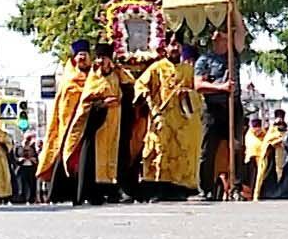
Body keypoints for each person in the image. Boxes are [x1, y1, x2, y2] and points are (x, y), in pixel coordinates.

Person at [136, 44, 201, 201]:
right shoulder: (157, 67)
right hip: (161, 118)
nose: (174, 48)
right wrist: (146, 96)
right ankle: (156, 189)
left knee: (179, 154)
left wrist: (188, 94)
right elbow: (140, 84)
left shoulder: (188, 70)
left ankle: (177, 190)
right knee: (158, 151)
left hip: (181, 121)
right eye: (171, 45)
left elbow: (198, 95)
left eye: (177, 45)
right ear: (166, 48)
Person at [63, 45, 124, 205]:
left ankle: (111, 190)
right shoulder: (94, 78)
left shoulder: (116, 76)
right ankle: (93, 192)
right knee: (94, 159)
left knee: (113, 155)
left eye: (103, 58)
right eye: (98, 58)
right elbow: (86, 103)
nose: (99, 61)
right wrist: (103, 104)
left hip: (114, 124)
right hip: (97, 126)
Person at [37, 43, 92, 203]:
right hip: (69, 124)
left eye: (85, 55)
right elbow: (64, 104)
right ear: (74, 59)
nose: (82, 58)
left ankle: (84, 193)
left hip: (89, 124)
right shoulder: (68, 79)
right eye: (79, 55)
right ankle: (61, 194)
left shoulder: (95, 76)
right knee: (67, 156)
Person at [193, 37, 242, 200]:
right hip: (213, 109)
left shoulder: (234, 55)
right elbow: (199, 86)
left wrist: (232, 11)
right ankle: (205, 189)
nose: (219, 38)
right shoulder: (204, 60)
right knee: (208, 150)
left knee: (236, 147)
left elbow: (240, 31)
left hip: (233, 107)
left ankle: (236, 187)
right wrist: (221, 87)